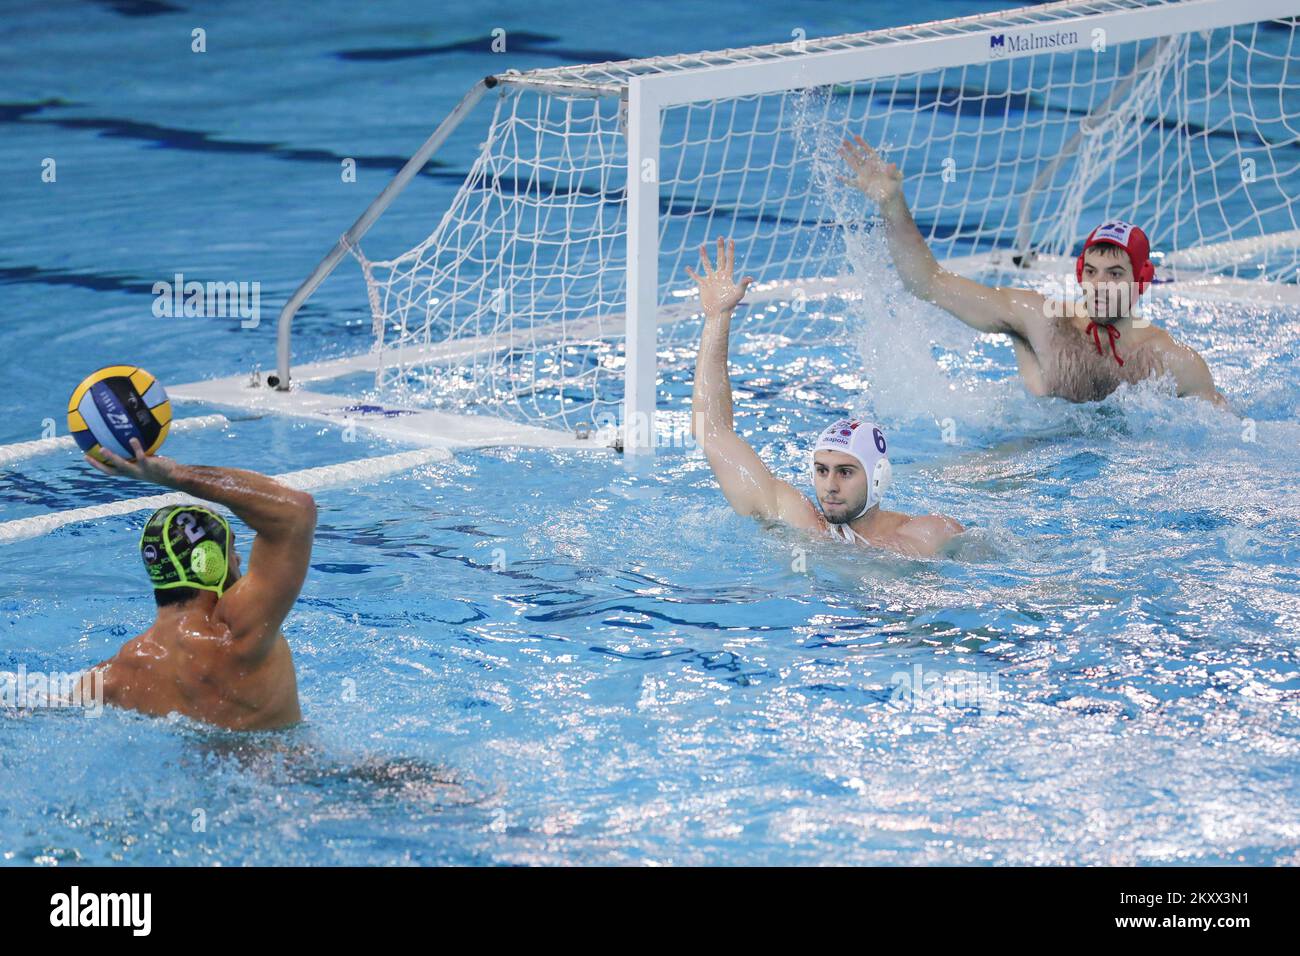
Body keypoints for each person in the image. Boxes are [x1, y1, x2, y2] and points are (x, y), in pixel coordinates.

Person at [839, 135, 1228, 406]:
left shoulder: (1174, 362)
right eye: (1090, 271)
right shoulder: (1039, 322)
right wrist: (891, 204)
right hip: (1034, 459)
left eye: (1114, 274)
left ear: (1141, 280)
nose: (1099, 285)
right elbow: (927, 282)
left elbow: (1224, 441)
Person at [687, 237, 963, 558]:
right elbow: (711, 430)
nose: (829, 486)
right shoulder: (805, 526)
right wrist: (717, 319)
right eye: (821, 470)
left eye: (845, 472)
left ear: (878, 477)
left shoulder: (930, 535)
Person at [76, 437, 316, 730]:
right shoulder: (237, 635)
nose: (238, 560)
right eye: (230, 550)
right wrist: (175, 475)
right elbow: (296, 510)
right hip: (293, 770)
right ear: (208, 562)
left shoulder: (114, 676)